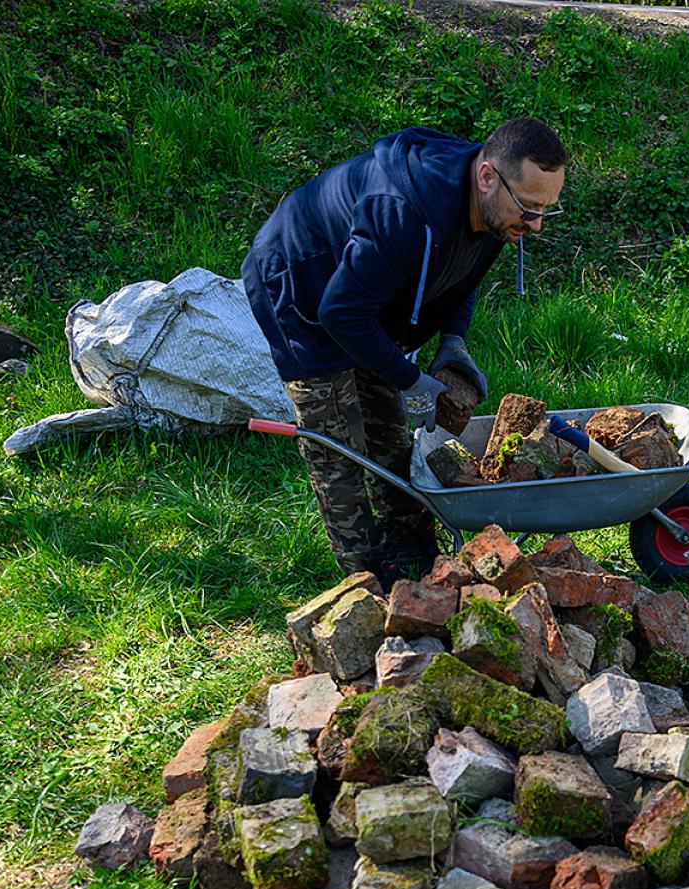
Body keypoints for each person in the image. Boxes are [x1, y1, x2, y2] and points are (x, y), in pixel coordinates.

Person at [243, 118, 568, 585]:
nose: (535, 224)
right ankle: (366, 587)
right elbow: (340, 313)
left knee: (390, 435)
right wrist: (411, 378)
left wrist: (452, 342)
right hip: (302, 290)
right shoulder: (403, 212)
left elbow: (463, 275)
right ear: (487, 176)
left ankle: (416, 560)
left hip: (369, 294)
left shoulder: (498, 209)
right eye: (530, 206)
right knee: (340, 449)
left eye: (547, 209)